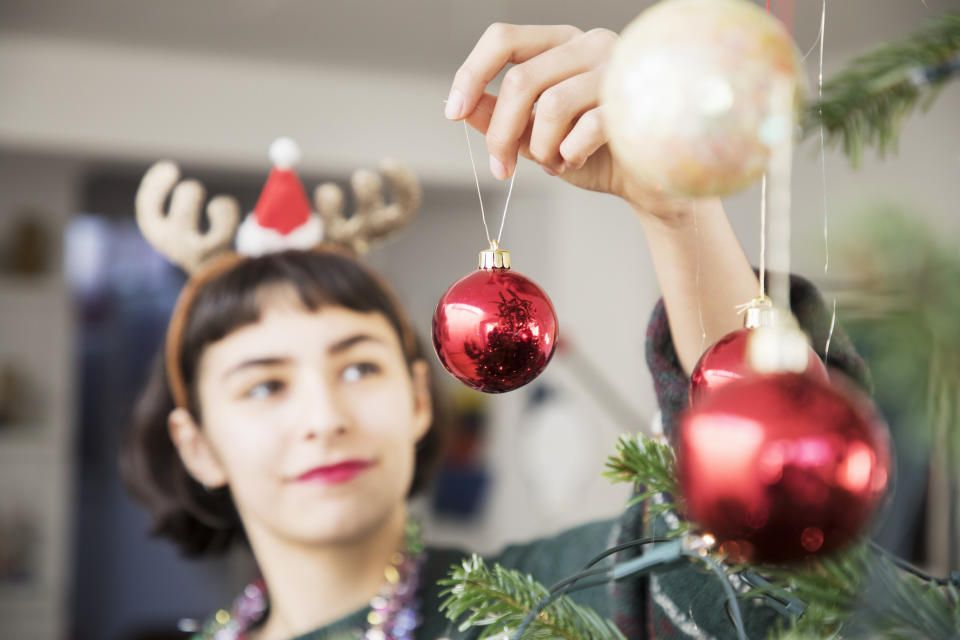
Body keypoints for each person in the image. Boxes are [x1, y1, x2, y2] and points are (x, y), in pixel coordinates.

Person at [121, 23, 868, 640]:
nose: (323, 419)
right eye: (264, 385)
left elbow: (769, 540)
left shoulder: (547, 597)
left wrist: (679, 211)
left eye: (357, 369)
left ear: (418, 397)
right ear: (197, 444)